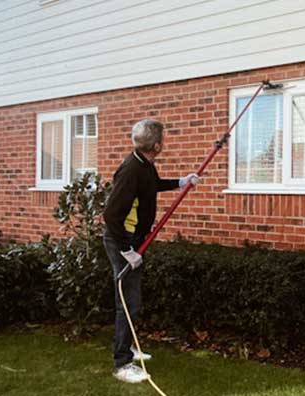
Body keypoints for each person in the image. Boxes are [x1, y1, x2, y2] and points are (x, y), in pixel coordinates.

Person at [103, 119, 199, 383]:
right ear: (157, 145)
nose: (163, 143)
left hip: (133, 240)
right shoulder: (131, 169)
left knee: (133, 299)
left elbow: (152, 185)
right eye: (163, 139)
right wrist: (127, 250)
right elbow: (110, 215)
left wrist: (181, 182)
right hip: (122, 240)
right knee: (128, 301)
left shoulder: (144, 164)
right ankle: (121, 363)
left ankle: (130, 348)